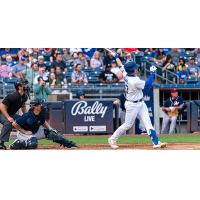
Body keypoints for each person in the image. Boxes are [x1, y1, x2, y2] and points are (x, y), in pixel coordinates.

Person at [108, 51, 167, 149]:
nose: (137, 69)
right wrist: (152, 73)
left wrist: (116, 56)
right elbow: (148, 85)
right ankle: (112, 139)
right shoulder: (134, 81)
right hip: (132, 105)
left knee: (147, 122)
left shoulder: (126, 73)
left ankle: (156, 142)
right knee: (127, 125)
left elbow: (120, 65)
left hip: (140, 103)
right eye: (135, 68)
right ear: (132, 70)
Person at [9, 100, 79, 149]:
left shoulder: (41, 112)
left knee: (51, 133)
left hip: (34, 132)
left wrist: (50, 128)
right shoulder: (27, 115)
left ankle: (67, 144)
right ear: (35, 107)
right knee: (33, 144)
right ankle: (17, 144)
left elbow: (43, 122)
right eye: (39, 104)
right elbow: (15, 124)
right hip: (24, 134)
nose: (41, 105)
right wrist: (24, 131)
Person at [0, 80, 28, 149]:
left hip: (11, 114)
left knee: (24, 122)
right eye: (24, 84)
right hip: (1, 112)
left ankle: (23, 141)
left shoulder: (25, 96)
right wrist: (8, 117)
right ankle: (1, 142)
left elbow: (23, 106)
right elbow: (1, 106)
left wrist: (26, 116)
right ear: (19, 87)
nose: (26, 85)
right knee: (8, 123)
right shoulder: (13, 96)